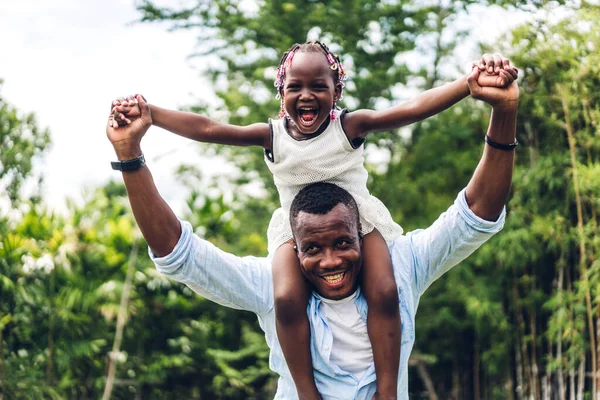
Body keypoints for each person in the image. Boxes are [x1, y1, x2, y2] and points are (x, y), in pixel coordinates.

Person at [110, 41, 517, 399]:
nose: (307, 96)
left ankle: (387, 392)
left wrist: (472, 89)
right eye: (295, 88)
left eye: (319, 86)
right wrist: (149, 120)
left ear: (336, 91)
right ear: (280, 93)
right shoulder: (271, 137)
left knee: (385, 288)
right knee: (287, 299)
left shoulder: (350, 128)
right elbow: (208, 128)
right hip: (291, 226)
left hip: (364, 217)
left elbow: (410, 113)